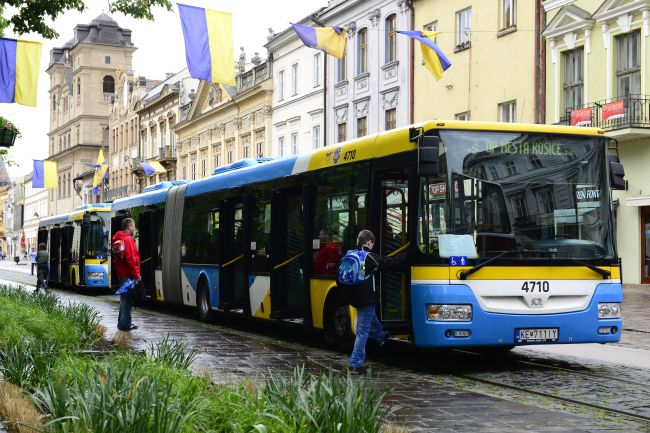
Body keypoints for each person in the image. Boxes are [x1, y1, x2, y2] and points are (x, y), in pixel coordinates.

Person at [345, 229, 407, 374]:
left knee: (371, 317)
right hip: (366, 299)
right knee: (362, 332)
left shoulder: (350, 254)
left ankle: (380, 336)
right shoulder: (368, 257)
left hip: (355, 297)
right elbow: (389, 262)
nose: (373, 246)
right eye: (372, 243)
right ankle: (355, 364)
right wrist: (406, 254)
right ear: (369, 242)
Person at [112, 218, 141, 331]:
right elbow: (131, 259)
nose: (134, 228)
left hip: (122, 273)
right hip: (127, 274)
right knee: (127, 299)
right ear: (129, 227)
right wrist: (136, 275)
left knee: (124, 298)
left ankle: (123, 322)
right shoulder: (128, 240)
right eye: (133, 226)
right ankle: (125, 324)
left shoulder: (119, 238)